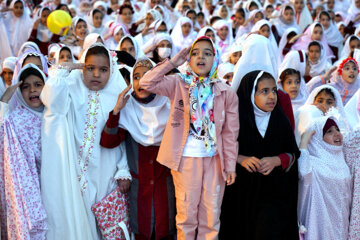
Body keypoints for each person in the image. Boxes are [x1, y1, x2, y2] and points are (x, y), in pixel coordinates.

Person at [139, 36, 239, 239]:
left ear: (215, 58)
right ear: (189, 59)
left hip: (215, 161)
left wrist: (230, 165)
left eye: (207, 53)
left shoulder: (226, 92)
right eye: (195, 52)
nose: (201, 56)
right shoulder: (178, 83)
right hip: (186, 159)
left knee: (211, 216)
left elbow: (230, 133)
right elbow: (146, 82)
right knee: (186, 215)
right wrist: (172, 62)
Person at [40, 43, 131, 240]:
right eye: (90, 68)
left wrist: (123, 168)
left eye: (103, 69)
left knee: (106, 224)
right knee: (82, 218)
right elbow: (52, 99)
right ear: (82, 68)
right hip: (78, 170)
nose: (96, 74)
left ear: (112, 70)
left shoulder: (117, 95)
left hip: (107, 170)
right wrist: (68, 68)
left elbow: (123, 137)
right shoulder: (72, 89)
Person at [100, 57, 176, 239]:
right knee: (141, 232)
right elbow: (108, 142)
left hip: (166, 189)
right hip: (139, 191)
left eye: (148, 76)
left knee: (166, 231)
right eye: (136, 77)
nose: (141, 81)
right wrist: (116, 110)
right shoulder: (127, 109)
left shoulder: (170, 106)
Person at [220, 70, 300, 239]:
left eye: (274, 91)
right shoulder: (236, 120)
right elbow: (221, 149)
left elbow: (293, 153)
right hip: (241, 194)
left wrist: (276, 160)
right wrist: (241, 159)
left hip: (273, 194)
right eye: (264, 91)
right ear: (250, 93)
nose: (271, 96)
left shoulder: (280, 120)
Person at [0, 64, 48, 239]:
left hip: (55, 186)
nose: (32, 90)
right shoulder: (15, 120)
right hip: (31, 191)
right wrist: (4, 100)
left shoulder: (56, 115)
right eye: (25, 87)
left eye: (37, 84)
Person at [298, 117, 351, 239]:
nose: (337, 134)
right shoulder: (312, 162)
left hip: (341, 224)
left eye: (337, 129)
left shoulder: (342, 161)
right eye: (329, 131)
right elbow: (303, 173)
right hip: (319, 225)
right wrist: (304, 144)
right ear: (317, 139)